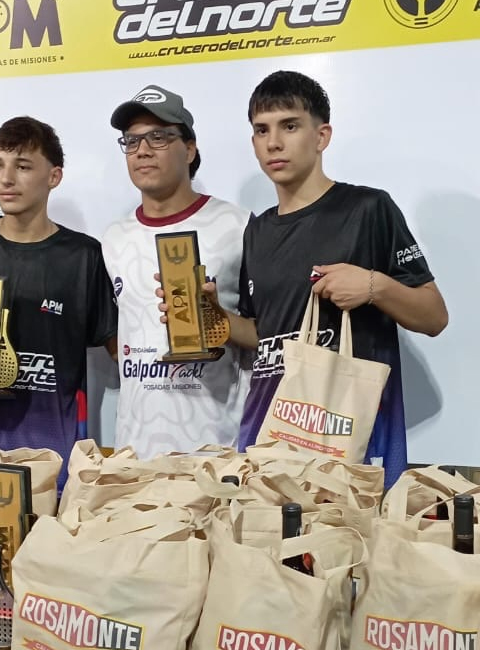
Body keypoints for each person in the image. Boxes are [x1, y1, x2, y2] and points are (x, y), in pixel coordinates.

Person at [162, 70, 448, 487]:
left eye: (290, 126)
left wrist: (374, 286)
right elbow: (267, 335)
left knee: (346, 531)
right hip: (266, 433)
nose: (273, 142)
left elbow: (434, 316)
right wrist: (212, 318)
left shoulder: (368, 209)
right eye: (261, 130)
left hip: (345, 436)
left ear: (321, 136)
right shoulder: (257, 230)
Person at [0, 116, 118, 488]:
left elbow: (115, 345)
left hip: (53, 445)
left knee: (49, 523)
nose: (6, 179)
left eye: (23, 166)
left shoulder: (83, 255)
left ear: (54, 176)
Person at [103, 84, 252, 458]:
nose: (142, 150)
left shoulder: (238, 226)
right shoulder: (113, 238)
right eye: (131, 141)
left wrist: (219, 322)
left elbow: (272, 334)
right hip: (134, 454)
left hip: (218, 453)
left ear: (189, 149)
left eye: (158, 137)